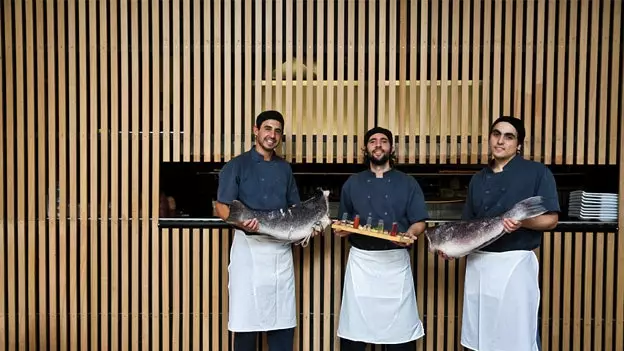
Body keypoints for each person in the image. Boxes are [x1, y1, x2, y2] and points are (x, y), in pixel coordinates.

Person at [452, 116, 560, 351]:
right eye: (496, 134)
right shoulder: (478, 179)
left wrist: (523, 223)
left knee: (517, 334)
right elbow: (468, 228)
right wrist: (454, 250)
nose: (500, 141)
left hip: (515, 266)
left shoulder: (536, 172)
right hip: (479, 265)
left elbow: (551, 220)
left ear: (519, 144)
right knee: (481, 333)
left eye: (508, 137)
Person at [215, 110, 316, 351]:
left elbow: (294, 208)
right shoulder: (237, 165)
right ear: (256, 130)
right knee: (246, 321)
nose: (272, 135)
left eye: (277, 131)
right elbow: (221, 206)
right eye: (268, 129)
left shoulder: (285, 169)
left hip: (280, 251)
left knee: (281, 322)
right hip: (248, 251)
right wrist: (241, 223)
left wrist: (308, 226)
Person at [333, 126, 429, 351]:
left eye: (383, 141)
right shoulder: (352, 183)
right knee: (355, 335)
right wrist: (342, 230)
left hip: (395, 263)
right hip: (361, 264)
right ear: (365, 148)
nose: (378, 145)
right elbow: (343, 220)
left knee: (400, 336)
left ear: (391, 147)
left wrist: (410, 234)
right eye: (373, 141)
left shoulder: (408, 183)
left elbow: (420, 222)